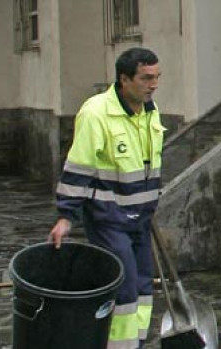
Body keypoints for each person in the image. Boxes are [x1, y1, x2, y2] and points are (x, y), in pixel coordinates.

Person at [48, 47, 165, 349]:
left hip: (140, 219)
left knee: (142, 288)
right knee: (123, 290)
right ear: (124, 80)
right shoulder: (96, 113)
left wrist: (149, 208)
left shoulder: (150, 111)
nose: (153, 84)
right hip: (109, 219)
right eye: (146, 78)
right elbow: (79, 166)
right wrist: (65, 216)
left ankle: (134, 344)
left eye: (156, 77)